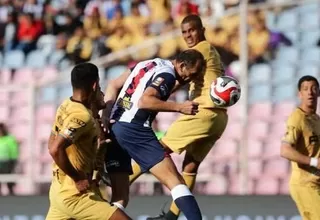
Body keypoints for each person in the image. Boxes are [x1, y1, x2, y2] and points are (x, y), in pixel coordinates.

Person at [129, 14, 228, 220]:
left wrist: (155, 97)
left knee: (156, 150)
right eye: (184, 32)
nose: (188, 35)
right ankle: (172, 217)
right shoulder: (212, 51)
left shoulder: (198, 51)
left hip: (202, 112)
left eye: (192, 30)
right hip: (218, 119)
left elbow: (180, 80)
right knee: (190, 166)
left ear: (202, 29)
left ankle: (119, 180)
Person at [102, 49, 206, 220]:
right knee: (176, 183)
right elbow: (145, 101)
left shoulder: (148, 64)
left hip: (115, 129)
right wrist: (180, 107)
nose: (191, 79)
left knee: (120, 198)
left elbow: (113, 84)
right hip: (135, 129)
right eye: (191, 74)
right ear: (181, 65)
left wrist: (105, 115)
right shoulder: (168, 75)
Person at [46, 63, 131, 220]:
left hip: (58, 190)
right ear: (95, 85)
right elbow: (55, 149)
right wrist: (78, 178)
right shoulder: (82, 116)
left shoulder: (65, 106)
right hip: (75, 196)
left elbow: (51, 143)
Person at [280, 75, 320, 220]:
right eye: (305, 89)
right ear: (300, 94)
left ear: (318, 92)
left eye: (313, 88)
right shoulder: (297, 118)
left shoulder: (316, 120)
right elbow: (285, 150)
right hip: (305, 185)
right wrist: (314, 162)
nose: (310, 92)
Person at [0, 123, 19, 195]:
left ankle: (11, 194)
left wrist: (13, 161)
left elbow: (13, 151)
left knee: (9, 181)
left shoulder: (9, 138)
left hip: (7, 162)